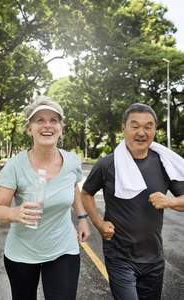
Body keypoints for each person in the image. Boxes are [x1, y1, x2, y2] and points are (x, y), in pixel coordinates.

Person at [0, 96, 91, 300]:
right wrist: (15, 212)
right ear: (30, 129)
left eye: (54, 120)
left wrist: (82, 219)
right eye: (40, 120)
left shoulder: (71, 160)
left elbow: (72, 187)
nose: (48, 125)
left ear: (60, 128)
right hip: (22, 252)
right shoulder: (15, 166)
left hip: (63, 248)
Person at [81, 103, 184, 300]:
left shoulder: (164, 163)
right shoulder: (107, 164)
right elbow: (86, 193)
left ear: (155, 130)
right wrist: (97, 223)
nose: (141, 132)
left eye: (148, 126)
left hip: (154, 257)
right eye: (135, 126)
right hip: (120, 256)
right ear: (123, 128)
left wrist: (169, 201)